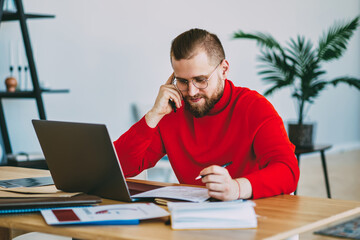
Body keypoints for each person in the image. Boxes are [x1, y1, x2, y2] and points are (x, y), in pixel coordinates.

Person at [114, 28, 299, 201]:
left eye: (200, 80)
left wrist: (236, 188)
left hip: (255, 217)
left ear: (224, 69)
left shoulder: (254, 107)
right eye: (183, 81)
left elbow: (288, 170)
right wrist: (154, 115)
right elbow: (118, 168)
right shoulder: (173, 110)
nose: (192, 92)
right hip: (192, 221)